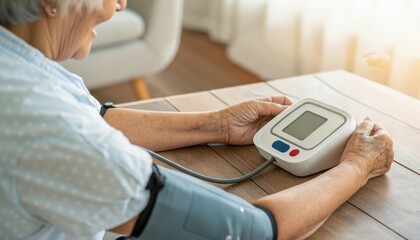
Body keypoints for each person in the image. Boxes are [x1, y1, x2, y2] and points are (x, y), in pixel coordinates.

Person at [0, 0, 394, 240]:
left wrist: (216, 125)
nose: (119, 5)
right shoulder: (52, 128)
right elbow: (248, 231)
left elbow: (95, 117)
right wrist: (358, 166)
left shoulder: (20, 68)